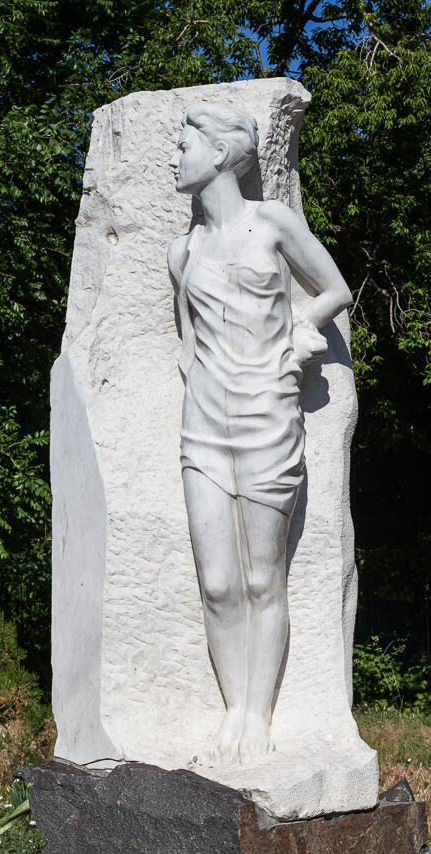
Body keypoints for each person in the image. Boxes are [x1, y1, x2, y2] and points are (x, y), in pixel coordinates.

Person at [168, 103, 352, 765]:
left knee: (260, 577)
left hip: (268, 418)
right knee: (218, 582)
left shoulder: (272, 222)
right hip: (203, 427)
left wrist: (299, 338)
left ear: (220, 154)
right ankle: (232, 712)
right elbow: (188, 347)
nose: (174, 158)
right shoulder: (182, 251)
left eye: (183, 146)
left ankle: (256, 717)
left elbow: (335, 290)